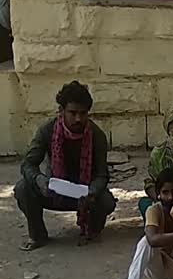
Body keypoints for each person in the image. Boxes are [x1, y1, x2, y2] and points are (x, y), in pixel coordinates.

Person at [15, 81, 116, 250]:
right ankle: (38, 236)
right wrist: (40, 180)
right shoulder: (46, 131)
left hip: (84, 195)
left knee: (106, 201)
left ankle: (91, 230)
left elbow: (102, 175)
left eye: (83, 113)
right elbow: (28, 164)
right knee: (22, 189)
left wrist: (92, 191)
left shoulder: (97, 135)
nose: (78, 119)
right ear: (61, 111)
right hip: (53, 191)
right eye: (73, 113)